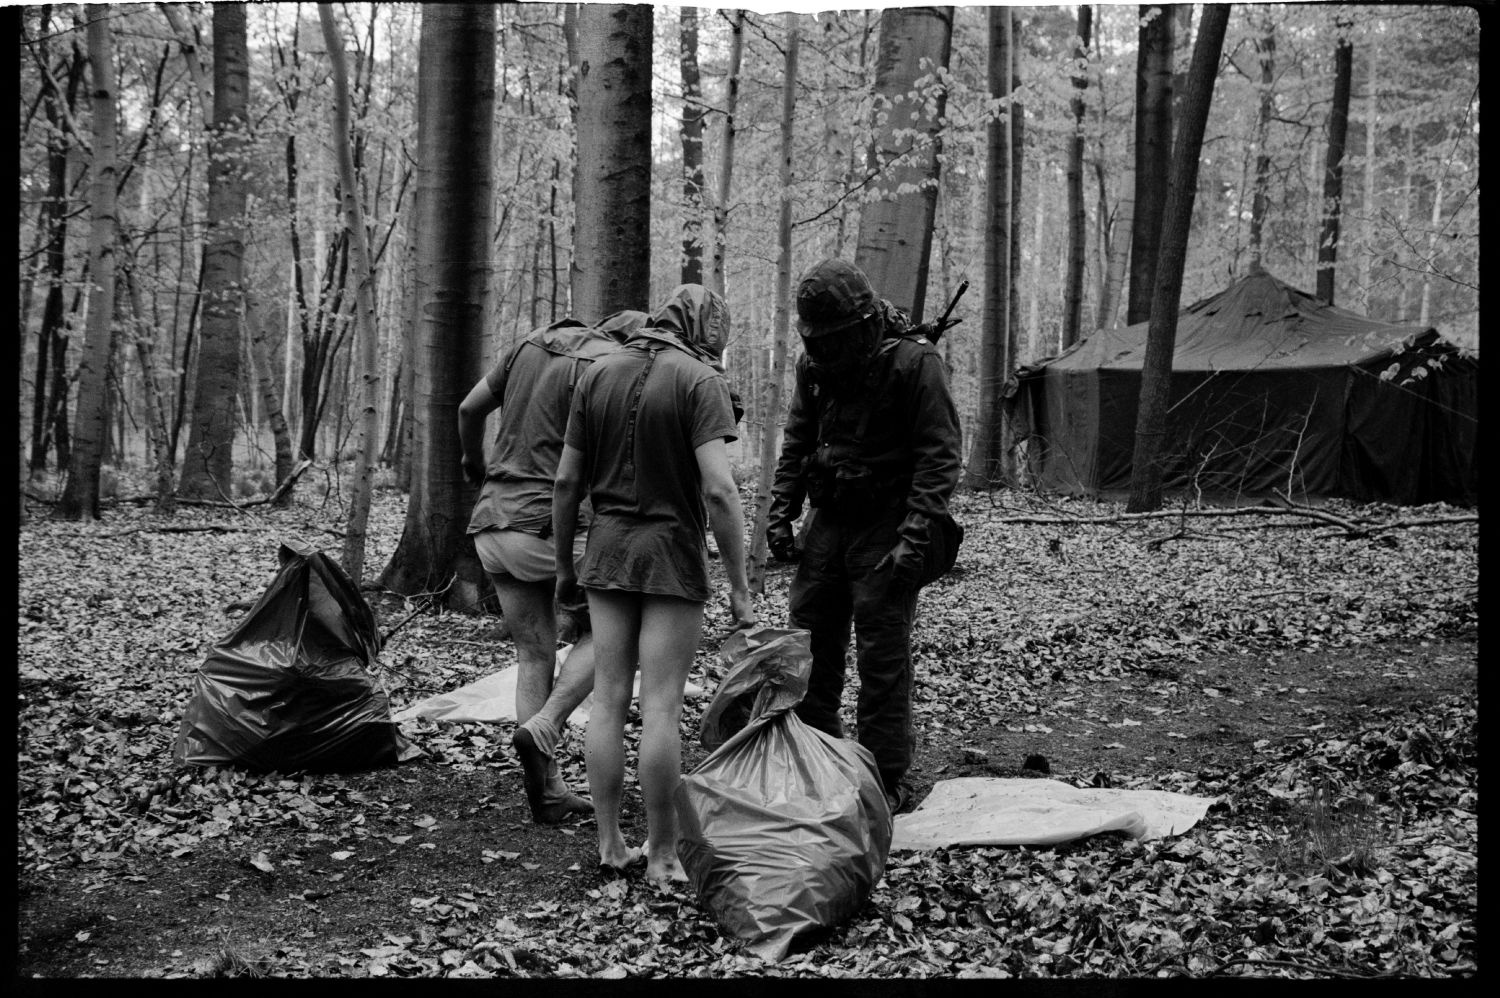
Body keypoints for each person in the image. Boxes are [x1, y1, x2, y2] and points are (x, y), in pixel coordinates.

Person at [552, 284, 755, 883]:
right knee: (662, 706)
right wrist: (740, 586)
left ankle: (611, 842)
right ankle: (663, 852)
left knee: (609, 699)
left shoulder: (596, 373)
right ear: (707, 331)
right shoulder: (700, 381)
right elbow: (719, 490)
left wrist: (566, 567)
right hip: (670, 553)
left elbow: (566, 483)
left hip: (608, 552)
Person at [765, 258, 962, 815]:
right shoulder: (816, 365)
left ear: (862, 324)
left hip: (887, 523)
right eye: (818, 341)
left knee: (882, 654)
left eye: (835, 339)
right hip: (827, 523)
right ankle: (820, 757)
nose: (826, 349)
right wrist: (782, 510)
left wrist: (916, 534)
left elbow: (939, 457)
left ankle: (884, 776)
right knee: (810, 644)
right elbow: (799, 436)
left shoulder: (914, 363)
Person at [457, 309, 647, 824]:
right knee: (622, 632)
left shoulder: (530, 345)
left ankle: (546, 791)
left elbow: (468, 409)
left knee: (533, 654)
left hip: (493, 522)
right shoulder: (611, 364)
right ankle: (549, 720)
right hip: (552, 526)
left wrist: (474, 464)